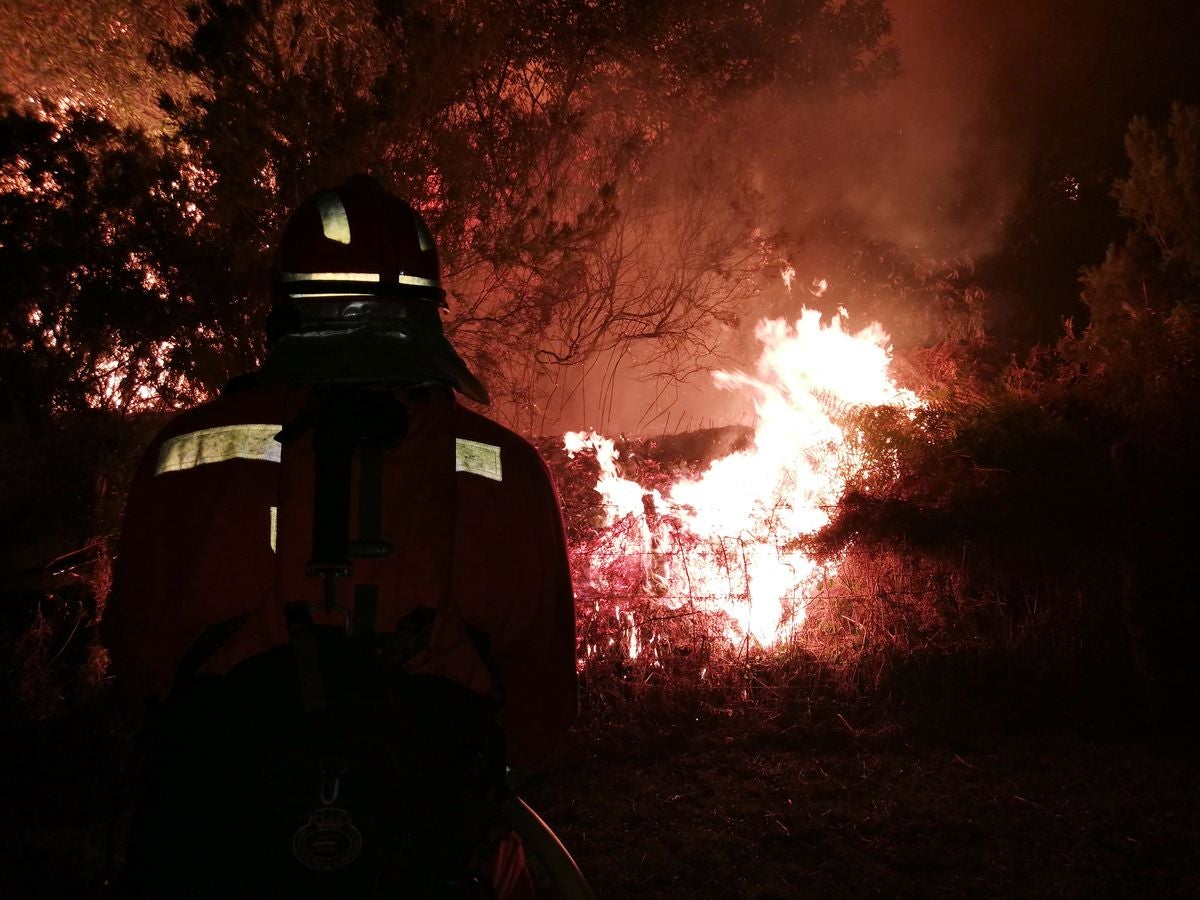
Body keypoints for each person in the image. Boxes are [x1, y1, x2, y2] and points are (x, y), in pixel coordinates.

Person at [102, 175, 578, 898]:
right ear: (427, 312)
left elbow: (142, 663)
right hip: (436, 846)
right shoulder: (507, 469)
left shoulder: (183, 453)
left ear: (285, 310)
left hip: (216, 841)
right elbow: (541, 703)